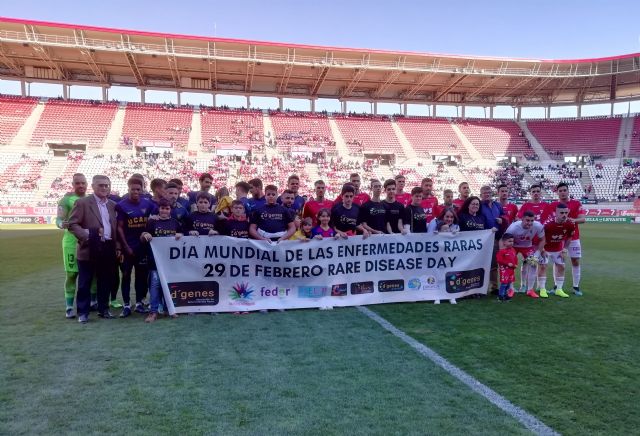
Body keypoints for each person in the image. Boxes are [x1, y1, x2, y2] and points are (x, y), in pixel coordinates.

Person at [68, 175, 121, 323]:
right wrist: (87, 235)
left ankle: (103, 309)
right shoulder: (83, 203)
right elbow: (72, 224)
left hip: (108, 246)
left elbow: (115, 228)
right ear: (93, 186)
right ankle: (83, 312)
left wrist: (117, 246)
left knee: (105, 280)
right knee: (85, 281)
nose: (104, 188)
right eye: (100, 185)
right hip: (89, 247)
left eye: (106, 185)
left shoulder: (112, 205)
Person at [56, 173, 94, 318]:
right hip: (71, 242)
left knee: (92, 273)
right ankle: (69, 306)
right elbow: (59, 219)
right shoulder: (66, 200)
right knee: (72, 274)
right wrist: (61, 224)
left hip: (89, 241)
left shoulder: (91, 199)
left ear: (87, 184)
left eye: (83, 183)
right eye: (77, 183)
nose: (81, 185)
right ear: (73, 184)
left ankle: (93, 302)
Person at [140, 198, 183, 323]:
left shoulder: (175, 223)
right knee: (155, 286)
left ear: (171, 210)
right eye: (162, 208)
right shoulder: (152, 222)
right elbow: (143, 237)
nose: (164, 211)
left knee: (170, 286)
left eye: (167, 208)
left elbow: (183, 238)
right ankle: (153, 312)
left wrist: (180, 235)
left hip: (170, 262)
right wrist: (145, 235)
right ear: (158, 209)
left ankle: (169, 309)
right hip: (155, 261)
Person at [115, 177, 154, 317]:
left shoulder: (148, 204)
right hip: (127, 247)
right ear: (128, 189)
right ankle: (126, 305)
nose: (136, 192)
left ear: (142, 189)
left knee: (141, 276)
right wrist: (125, 247)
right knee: (126, 275)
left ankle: (138, 303)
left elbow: (156, 216)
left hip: (142, 247)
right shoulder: (121, 205)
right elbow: (119, 228)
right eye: (133, 189)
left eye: (138, 189)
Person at [540, 182, 586, 295]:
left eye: (564, 190)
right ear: (557, 192)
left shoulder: (576, 203)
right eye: (560, 191)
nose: (562, 192)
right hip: (558, 239)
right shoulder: (553, 205)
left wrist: (573, 220)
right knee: (558, 261)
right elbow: (546, 220)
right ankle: (557, 286)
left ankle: (576, 287)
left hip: (573, 237)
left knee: (575, 260)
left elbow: (583, 219)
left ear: (568, 191)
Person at [538, 203, 576, 299]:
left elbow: (569, 237)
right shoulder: (547, 224)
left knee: (561, 267)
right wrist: (542, 249)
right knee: (543, 267)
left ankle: (559, 289)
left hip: (558, 249)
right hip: (546, 248)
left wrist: (565, 249)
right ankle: (542, 289)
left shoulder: (570, 224)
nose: (564, 215)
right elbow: (540, 237)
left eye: (566, 213)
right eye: (561, 213)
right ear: (556, 213)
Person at [505, 211, 546, 299]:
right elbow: (505, 240)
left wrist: (538, 253)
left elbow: (543, 239)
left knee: (533, 263)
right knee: (510, 266)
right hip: (514, 246)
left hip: (527, 247)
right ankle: (510, 288)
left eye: (532, 220)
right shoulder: (513, 227)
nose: (530, 223)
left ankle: (530, 290)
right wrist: (505, 252)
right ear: (522, 219)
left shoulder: (538, 226)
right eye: (527, 220)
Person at [479, 185, 504, 293]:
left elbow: (504, 216)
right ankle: (480, 287)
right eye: (485, 193)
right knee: (481, 263)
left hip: (496, 238)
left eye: (489, 192)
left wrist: (502, 219)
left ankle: (494, 287)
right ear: (481, 195)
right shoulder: (479, 205)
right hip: (483, 239)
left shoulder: (497, 205)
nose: (487, 194)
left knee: (494, 264)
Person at [496, 233, 517, 301]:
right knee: (504, 283)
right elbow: (499, 260)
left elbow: (515, 258)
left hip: (511, 270)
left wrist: (515, 264)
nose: (511, 243)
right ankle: (501, 296)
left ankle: (505, 294)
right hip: (504, 270)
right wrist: (507, 263)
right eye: (509, 241)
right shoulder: (501, 251)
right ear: (504, 242)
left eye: (512, 241)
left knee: (509, 283)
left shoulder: (513, 250)